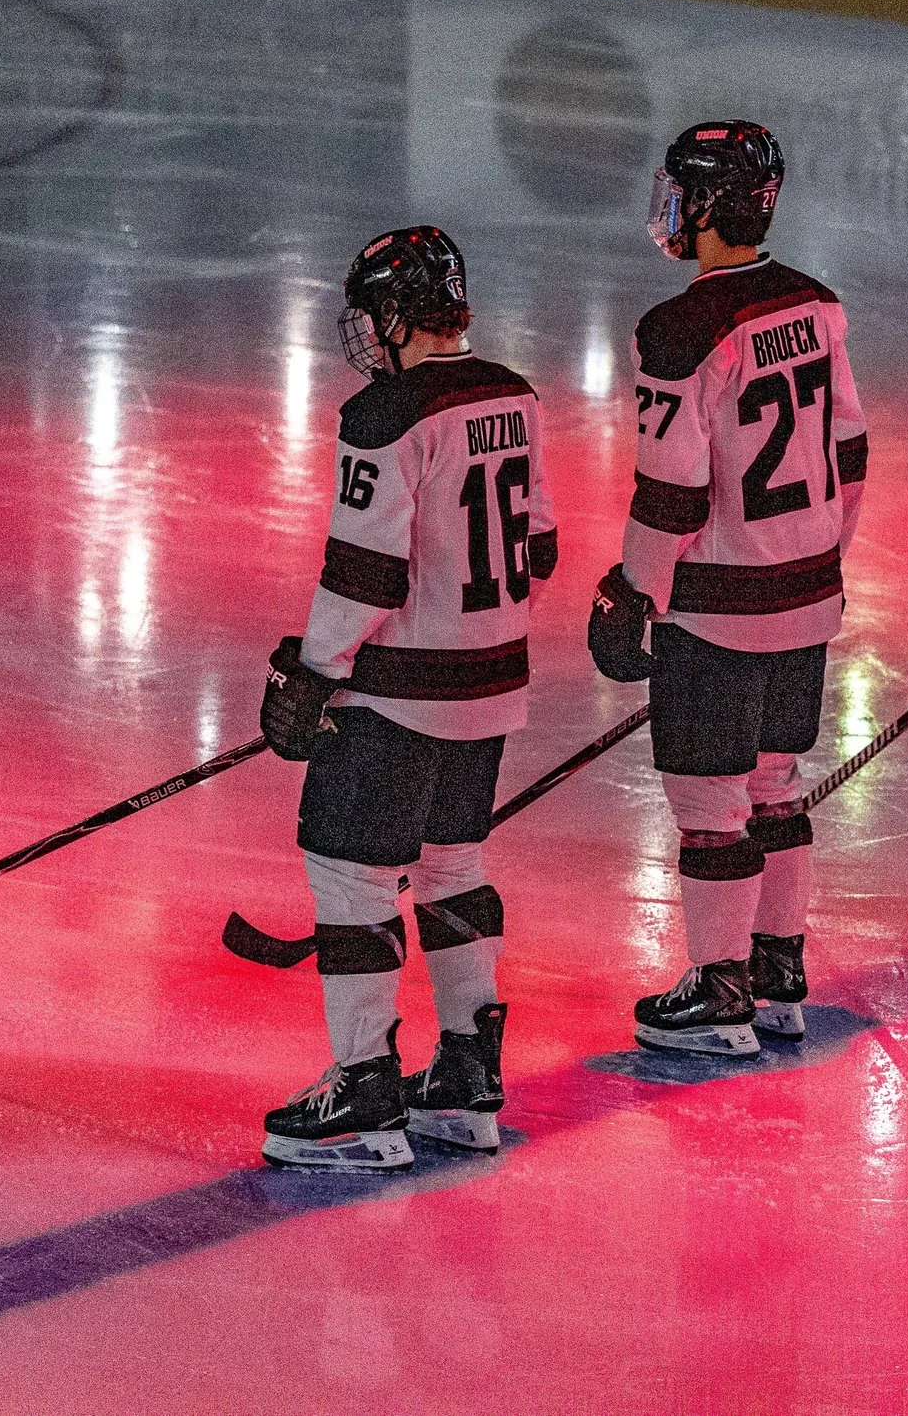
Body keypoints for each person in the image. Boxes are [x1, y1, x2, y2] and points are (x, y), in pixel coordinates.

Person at [255, 226, 558, 1169]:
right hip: (492, 683)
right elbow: (539, 546)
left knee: (348, 870)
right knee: (452, 866)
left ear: (394, 314)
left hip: (400, 696)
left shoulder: (384, 415)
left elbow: (366, 571)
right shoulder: (514, 393)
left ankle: (367, 1093)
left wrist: (314, 670)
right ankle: (468, 1077)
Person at [589, 121, 869, 1056]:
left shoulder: (680, 329)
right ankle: (778, 966)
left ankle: (719, 988)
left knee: (710, 798)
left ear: (706, 205)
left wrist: (632, 590)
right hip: (808, 586)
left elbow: (672, 487)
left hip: (717, 601)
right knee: (776, 780)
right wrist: (821, 553)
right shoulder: (819, 306)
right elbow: (853, 450)